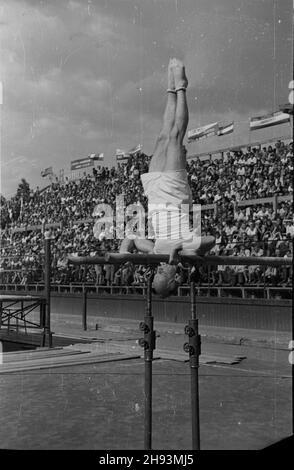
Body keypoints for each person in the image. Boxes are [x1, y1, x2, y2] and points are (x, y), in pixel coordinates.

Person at [119, 59, 215, 297]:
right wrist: (179, 246)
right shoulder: (186, 256)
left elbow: (134, 239)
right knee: (174, 137)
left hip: (154, 195)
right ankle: (182, 86)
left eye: (156, 273)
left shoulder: (156, 254)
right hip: (174, 195)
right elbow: (210, 240)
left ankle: (171, 89)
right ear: (174, 278)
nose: (158, 270)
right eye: (161, 274)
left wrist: (124, 255)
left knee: (162, 137)